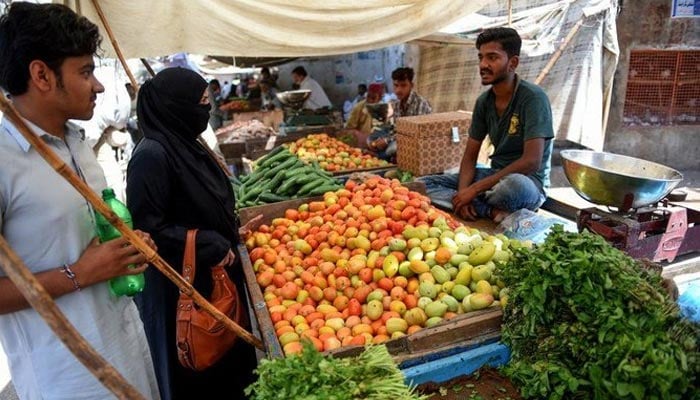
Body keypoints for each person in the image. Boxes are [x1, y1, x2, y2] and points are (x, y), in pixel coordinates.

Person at [0, 3, 160, 399]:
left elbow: (90, 242)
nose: (99, 86)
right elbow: (83, 266)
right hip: (68, 378)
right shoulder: (4, 158)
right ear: (41, 75)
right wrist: (79, 273)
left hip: (127, 349)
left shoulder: (78, 143)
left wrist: (126, 248)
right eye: (85, 72)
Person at [126, 67, 257, 400]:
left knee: (230, 371)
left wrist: (228, 230)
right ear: (176, 106)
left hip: (213, 279)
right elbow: (147, 230)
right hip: (182, 291)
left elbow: (199, 203)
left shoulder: (188, 145)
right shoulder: (151, 156)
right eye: (200, 102)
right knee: (200, 375)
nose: (206, 109)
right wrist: (203, 241)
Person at [419, 27, 554, 223]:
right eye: (481, 57)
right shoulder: (484, 102)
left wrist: (474, 190)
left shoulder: (533, 98)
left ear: (512, 63)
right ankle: (490, 211)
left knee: (511, 187)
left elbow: (531, 161)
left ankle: (480, 203)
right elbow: (470, 155)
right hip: (494, 176)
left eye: (492, 58)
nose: (483, 64)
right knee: (423, 184)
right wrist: (464, 194)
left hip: (528, 183)